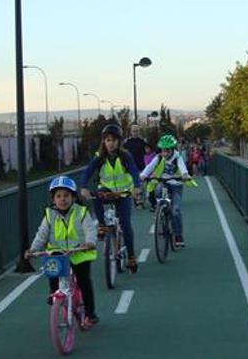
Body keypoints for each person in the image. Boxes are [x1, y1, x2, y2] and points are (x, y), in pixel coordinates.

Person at [26, 176, 99, 327]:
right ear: (53, 199)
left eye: (66, 196)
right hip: (58, 252)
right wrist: (33, 249)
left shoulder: (81, 212)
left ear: (73, 197)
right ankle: (54, 293)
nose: (62, 199)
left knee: (84, 281)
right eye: (58, 196)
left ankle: (91, 313)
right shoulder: (49, 215)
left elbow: (90, 229)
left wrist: (90, 242)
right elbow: (42, 235)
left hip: (80, 252)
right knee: (53, 271)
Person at [80, 123, 142, 273]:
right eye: (107, 140)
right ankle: (102, 225)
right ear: (104, 142)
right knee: (97, 197)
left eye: (114, 140)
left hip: (123, 192)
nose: (111, 143)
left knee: (126, 224)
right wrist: (83, 187)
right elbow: (88, 172)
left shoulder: (125, 155)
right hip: (106, 189)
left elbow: (134, 171)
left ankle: (131, 256)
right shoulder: (99, 157)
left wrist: (136, 187)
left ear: (119, 141)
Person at [141, 134, 195, 249]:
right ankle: (159, 209)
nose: (165, 153)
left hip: (176, 184)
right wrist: (143, 175)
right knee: (157, 190)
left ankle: (178, 235)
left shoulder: (177, 157)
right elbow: (150, 166)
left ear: (173, 149)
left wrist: (185, 175)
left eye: (167, 151)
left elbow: (182, 167)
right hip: (163, 182)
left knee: (175, 210)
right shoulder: (159, 157)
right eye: (163, 151)